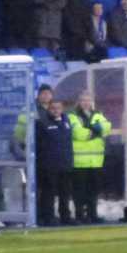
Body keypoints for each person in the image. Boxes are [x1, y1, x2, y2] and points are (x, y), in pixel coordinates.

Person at [67, 93, 112, 224]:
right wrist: (95, 130)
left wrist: (91, 131)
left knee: (93, 191)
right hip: (79, 161)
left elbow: (107, 128)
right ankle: (80, 215)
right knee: (79, 191)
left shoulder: (97, 114)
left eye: (88, 100)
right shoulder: (72, 116)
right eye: (83, 100)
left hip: (96, 161)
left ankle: (93, 214)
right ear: (79, 102)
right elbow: (78, 134)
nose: (86, 103)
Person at [35, 97, 74, 226]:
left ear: (62, 109)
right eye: (53, 108)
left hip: (65, 163)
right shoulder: (42, 123)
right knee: (49, 193)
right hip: (49, 165)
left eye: (58, 108)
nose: (56, 111)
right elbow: (38, 144)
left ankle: (65, 216)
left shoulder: (66, 121)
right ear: (49, 109)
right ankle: (49, 217)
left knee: (65, 192)